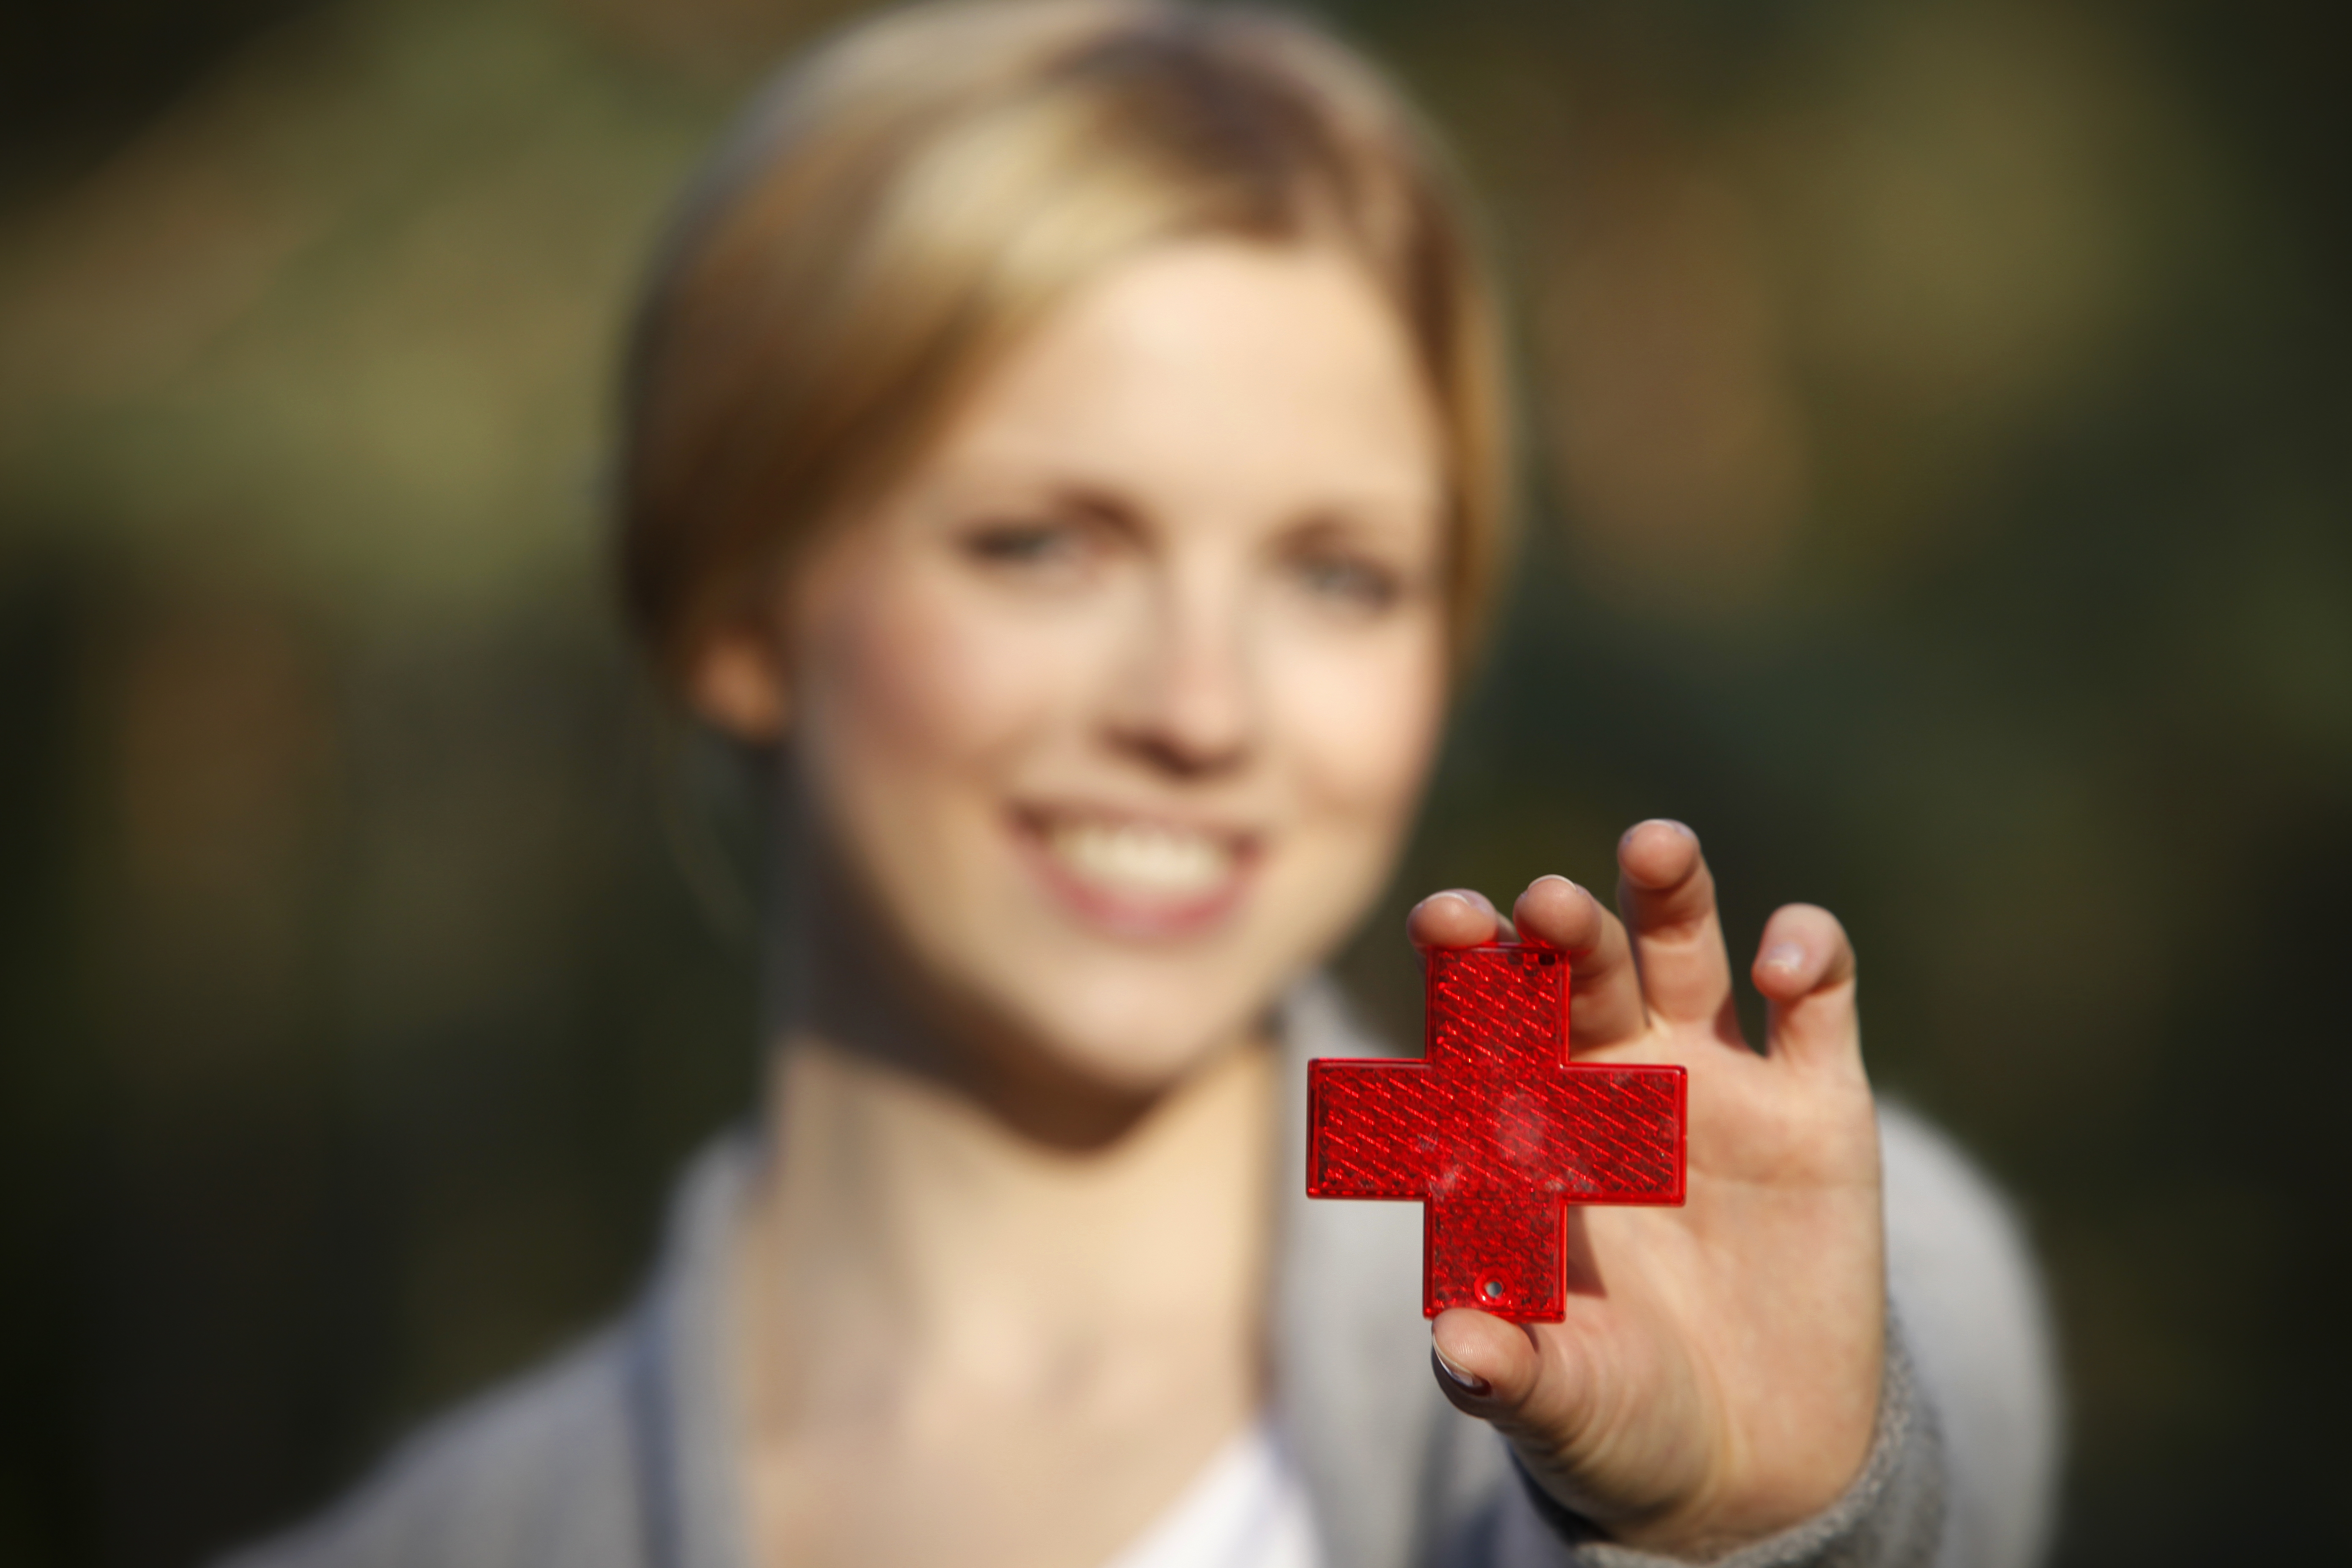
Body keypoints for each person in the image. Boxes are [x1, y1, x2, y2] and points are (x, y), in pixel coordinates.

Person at [228, 3, 2059, 1565]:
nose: (1201, 709)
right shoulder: (449, 1537)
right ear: (736, 603)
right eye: (1042, 545)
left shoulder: (1758, 1261)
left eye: (1339, 574)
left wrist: (1767, 1534)